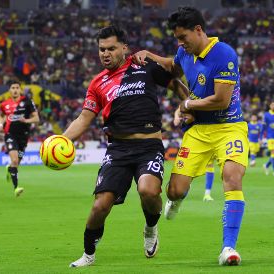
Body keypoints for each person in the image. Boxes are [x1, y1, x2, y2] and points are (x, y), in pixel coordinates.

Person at [133, 6, 248, 266]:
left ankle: (228, 248)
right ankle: (178, 200)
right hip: (198, 133)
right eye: (177, 38)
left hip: (229, 127)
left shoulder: (224, 54)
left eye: (183, 37)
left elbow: (221, 100)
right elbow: (172, 67)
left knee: (232, 177)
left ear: (198, 30)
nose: (180, 42)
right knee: (174, 191)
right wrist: (149, 55)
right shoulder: (185, 52)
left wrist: (186, 106)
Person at [63, 25, 185, 268]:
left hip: (149, 146)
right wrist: (61, 140)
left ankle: (151, 228)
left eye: (111, 48)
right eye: (101, 49)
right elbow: (84, 118)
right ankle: (88, 253)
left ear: (124, 48)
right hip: (118, 150)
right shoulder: (97, 83)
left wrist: (189, 104)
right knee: (100, 205)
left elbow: (176, 83)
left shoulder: (144, 65)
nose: (105, 53)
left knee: (148, 191)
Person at [0, 81, 39, 196]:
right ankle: (16, 188)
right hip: (10, 134)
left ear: (20, 90)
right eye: (13, 88)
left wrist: (26, 121)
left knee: (17, 162)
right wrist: (1, 124)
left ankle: (10, 168)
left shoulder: (27, 102)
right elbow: (1, 115)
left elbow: (36, 119)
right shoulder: (4, 104)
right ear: (9, 90)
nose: (15, 90)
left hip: (24, 136)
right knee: (15, 160)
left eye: (17, 88)